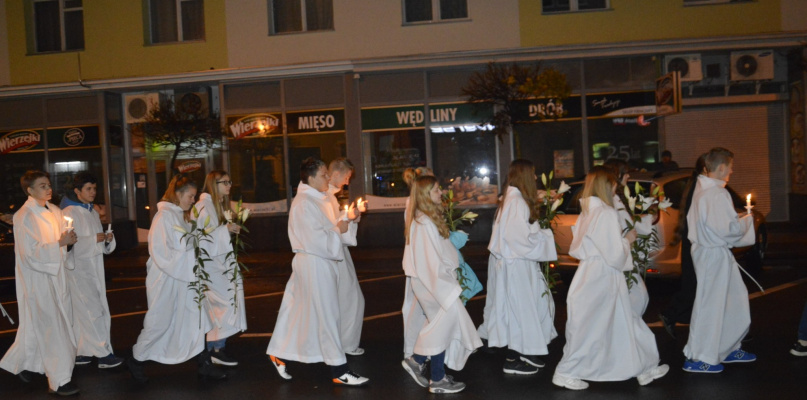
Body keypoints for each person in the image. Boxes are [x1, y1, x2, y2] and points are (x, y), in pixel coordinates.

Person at [553, 166, 668, 390]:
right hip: (602, 276)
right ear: (607, 186)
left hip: (592, 274)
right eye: (614, 185)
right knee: (595, 327)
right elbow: (614, 254)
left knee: (621, 321)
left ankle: (644, 368)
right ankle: (565, 371)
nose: (616, 188)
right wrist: (628, 240)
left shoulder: (589, 211)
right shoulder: (605, 213)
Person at [266, 158, 369, 386]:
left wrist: (347, 220)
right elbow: (316, 239)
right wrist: (339, 228)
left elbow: (330, 229)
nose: (328, 178)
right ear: (311, 178)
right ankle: (339, 370)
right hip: (314, 262)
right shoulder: (304, 203)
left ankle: (278, 353)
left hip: (321, 262)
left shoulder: (318, 199)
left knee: (300, 313)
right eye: (323, 175)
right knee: (328, 315)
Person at [127, 175, 227, 383]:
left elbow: (193, 242)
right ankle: (136, 359)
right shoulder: (163, 218)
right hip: (167, 280)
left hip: (184, 277)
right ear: (178, 194)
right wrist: (190, 258)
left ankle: (204, 365)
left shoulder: (180, 216)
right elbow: (162, 254)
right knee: (160, 322)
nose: (193, 200)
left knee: (197, 318)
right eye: (190, 196)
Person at [400, 175, 482, 394]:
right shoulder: (424, 222)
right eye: (436, 190)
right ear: (425, 194)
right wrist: (446, 285)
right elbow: (428, 262)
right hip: (433, 283)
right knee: (444, 323)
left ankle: (435, 375)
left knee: (439, 325)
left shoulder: (426, 218)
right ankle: (420, 363)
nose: (441, 193)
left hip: (435, 282)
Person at [0, 170, 79, 396]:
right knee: (53, 329)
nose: (48, 189)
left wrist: (68, 243)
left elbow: (62, 243)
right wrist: (59, 244)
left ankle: (23, 363)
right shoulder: (24, 216)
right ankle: (59, 380)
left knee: (39, 327)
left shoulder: (55, 211)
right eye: (42, 186)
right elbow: (29, 254)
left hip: (57, 276)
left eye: (48, 185)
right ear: (30, 190)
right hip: (38, 280)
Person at [476, 159, 557, 375]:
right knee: (521, 309)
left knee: (518, 308)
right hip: (516, 264)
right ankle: (516, 356)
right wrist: (545, 237)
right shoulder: (516, 202)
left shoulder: (512, 199)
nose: (535, 177)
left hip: (514, 263)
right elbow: (518, 240)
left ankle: (521, 352)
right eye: (533, 173)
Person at [682, 147, 756, 373]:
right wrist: (746, 221)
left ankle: (727, 346)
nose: (732, 172)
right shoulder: (716, 193)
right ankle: (698, 357)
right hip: (712, 254)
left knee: (733, 299)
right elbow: (727, 229)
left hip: (711, 252)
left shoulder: (704, 188)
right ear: (722, 167)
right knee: (710, 305)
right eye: (731, 167)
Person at [62, 172, 123, 369]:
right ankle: (103, 354)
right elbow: (68, 244)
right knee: (92, 311)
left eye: (94, 188)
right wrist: (93, 240)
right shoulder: (69, 213)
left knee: (86, 311)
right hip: (79, 270)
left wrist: (107, 239)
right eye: (88, 189)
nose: (93, 192)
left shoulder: (92, 212)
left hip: (94, 268)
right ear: (77, 191)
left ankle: (83, 351)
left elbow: (99, 245)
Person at [196, 170, 246, 367]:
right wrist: (225, 230)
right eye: (224, 182)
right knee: (224, 303)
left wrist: (227, 230)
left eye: (229, 181)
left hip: (218, 263)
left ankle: (216, 346)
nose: (229, 185)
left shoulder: (217, 205)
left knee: (226, 301)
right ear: (213, 184)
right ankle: (215, 347)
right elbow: (202, 238)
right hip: (210, 265)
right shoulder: (203, 206)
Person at [603, 158, 660, 317]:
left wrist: (648, 218)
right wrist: (647, 220)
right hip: (621, 255)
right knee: (637, 296)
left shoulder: (617, 198)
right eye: (626, 173)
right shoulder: (612, 200)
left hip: (624, 253)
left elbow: (628, 222)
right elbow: (626, 225)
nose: (628, 176)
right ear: (617, 175)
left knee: (637, 296)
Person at [659, 155, 707, 339]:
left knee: (693, 285)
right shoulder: (699, 188)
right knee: (692, 285)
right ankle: (671, 314)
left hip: (691, 241)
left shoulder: (695, 185)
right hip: (695, 242)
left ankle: (676, 315)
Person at [327, 158, 365, 356]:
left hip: (338, 253)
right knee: (351, 299)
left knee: (349, 299)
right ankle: (346, 344)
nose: (347, 182)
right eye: (346, 177)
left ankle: (343, 342)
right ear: (335, 174)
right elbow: (331, 227)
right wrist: (347, 218)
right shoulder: (324, 197)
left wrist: (351, 217)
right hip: (333, 255)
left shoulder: (330, 197)